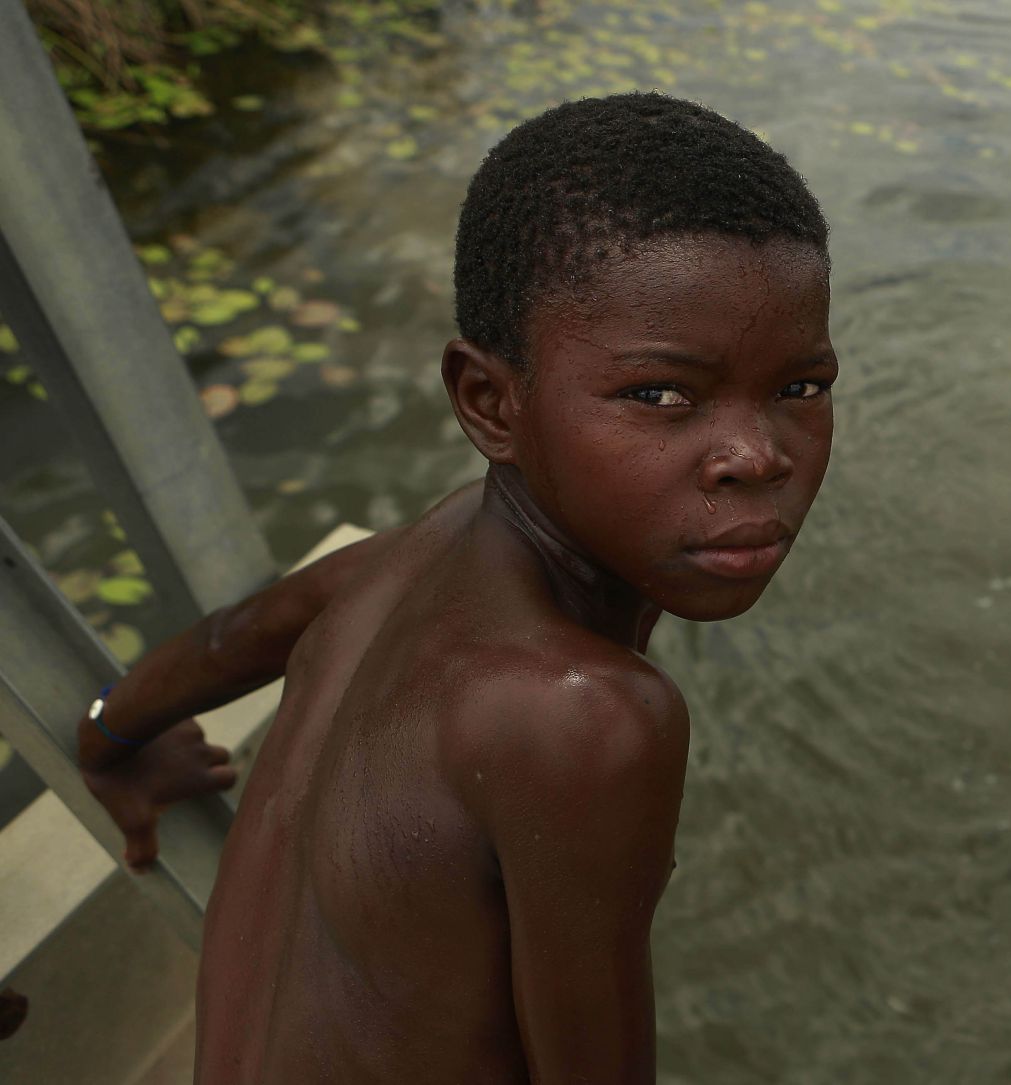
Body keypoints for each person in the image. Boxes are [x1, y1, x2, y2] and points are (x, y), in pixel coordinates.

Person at [73, 92, 836, 1083]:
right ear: (490, 401)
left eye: (801, 386)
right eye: (658, 393)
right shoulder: (589, 717)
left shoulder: (410, 556)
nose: (755, 453)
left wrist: (111, 741)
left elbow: (232, 638)